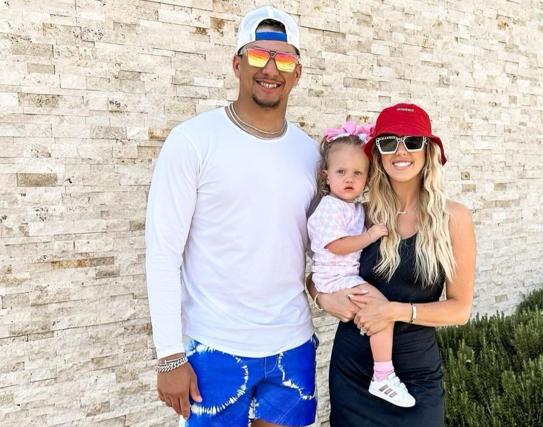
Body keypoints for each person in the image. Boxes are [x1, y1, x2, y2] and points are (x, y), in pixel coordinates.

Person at [145, 6, 320, 427]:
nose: (271, 69)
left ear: (297, 72)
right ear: (237, 64)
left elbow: (316, 245)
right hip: (215, 348)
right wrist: (169, 356)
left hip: (292, 344)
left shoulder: (311, 153)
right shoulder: (193, 141)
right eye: (259, 56)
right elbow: (163, 249)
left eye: (284, 59)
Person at [308, 103, 476, 426]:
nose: (401, 151)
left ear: (428, 151)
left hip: (416, 377)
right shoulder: (359, 215)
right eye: (389, 143)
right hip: (353, 372)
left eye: (412, 141)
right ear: (379, 155)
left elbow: (460, 310)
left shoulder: (454, 218)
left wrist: (395, 311)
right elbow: (318, 274)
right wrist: (324, 298)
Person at [306, 122, 415, 408]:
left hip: (345, 276)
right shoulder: (329, 207)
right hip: (334, 278)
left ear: (368, 179)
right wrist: (368, 236)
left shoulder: (352, 207)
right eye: (341, 172)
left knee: (378, 313)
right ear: (326, 176)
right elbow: (336, 245)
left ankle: (382, 372)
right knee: (381, 310)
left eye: (358, 172)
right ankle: (383, 375)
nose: (350, 178)